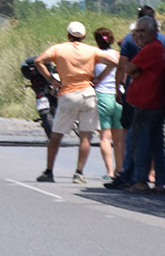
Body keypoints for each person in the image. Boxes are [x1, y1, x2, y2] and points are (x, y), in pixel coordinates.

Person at [34, 21, 117, 184]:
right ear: (84, 36)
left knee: (56, 135)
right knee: (85, 136)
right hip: (88, 93)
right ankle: (79, 172)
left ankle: (49, 171)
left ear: (68, 35)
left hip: (68, 93)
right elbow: (114, 63)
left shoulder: (59, 49)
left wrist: (51, 80)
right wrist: (99, 78)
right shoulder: (92, 51)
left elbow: (38, 61)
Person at [105, 6, 165, 190]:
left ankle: (140, 180)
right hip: (154, 102)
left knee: (139, 143)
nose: (138, 35)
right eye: (136, 32)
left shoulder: (151, 49)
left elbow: (129, 69)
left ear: (153, 31)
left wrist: (133, 68)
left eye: (142, 31)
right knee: (156, 144)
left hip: (146, 103)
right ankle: (159, 183)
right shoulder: (159, 46)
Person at [92, 27, 124, 179]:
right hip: (118, 96)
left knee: (105, 137)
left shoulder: (95, 56)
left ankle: (109, 171)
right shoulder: (117, 55)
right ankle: (119, 170)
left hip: (102, 96)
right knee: (118, 139)